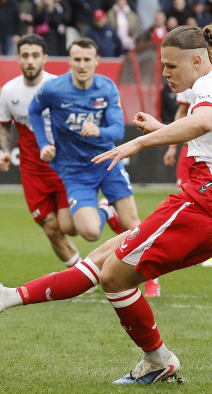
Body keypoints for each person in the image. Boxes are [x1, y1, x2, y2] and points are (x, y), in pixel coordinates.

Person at [0, 25, 212, 385]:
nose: (164, 73)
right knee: (105, 256)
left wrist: (141, 142)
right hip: (208, 203)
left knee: (113, 276)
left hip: (207, 206)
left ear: (197, 60)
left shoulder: (208, 85)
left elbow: (202, 122)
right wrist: (162, 126)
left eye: (170, 66)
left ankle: (158, 361)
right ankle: (5, 296)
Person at [28, 38, 137, 243]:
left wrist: (99, 131)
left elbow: (118, 131)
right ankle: (106, 210)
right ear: (69, 60)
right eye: (77, 59)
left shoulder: (107, 88)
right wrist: (43, 144)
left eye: (87, 59)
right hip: (74, 169)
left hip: (107, 161)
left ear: (97, 61)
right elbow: (33, 110)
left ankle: (149, 274)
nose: (81, 65)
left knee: (132, 223)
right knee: (90, 233)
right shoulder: (53, 89)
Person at [0, 34, 83, 267]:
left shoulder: (59, 87)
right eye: (25, 56)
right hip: (32, 172)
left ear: (44, 58)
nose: (30, 61)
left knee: (70, 227)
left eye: (35, 55)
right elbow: (4, 126)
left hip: (62, 169)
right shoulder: (9, 91)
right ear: (18, 59)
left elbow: (74, 125)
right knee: (51, 229)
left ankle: (106, 211)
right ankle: (82, 275)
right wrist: (4, 151)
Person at [163, 25, 212, 268]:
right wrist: (172, 145)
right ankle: (186, 248)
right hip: (192, 146)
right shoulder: (191, 77)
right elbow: (183, 112)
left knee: (208, 203)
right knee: (185, 195)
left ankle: (208, 251)